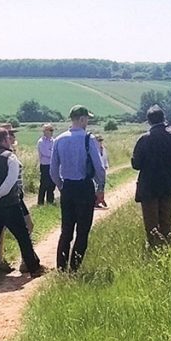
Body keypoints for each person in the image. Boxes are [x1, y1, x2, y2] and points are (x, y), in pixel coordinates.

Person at [0, 127, 43, 280]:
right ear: (6, 139)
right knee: (22, 235)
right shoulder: (10, 157)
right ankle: (33, 268)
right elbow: (10, 181)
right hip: (9, 204)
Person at [51, 105, 107, 271]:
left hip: (67, 187)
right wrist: (100, 187)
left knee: (66, 230)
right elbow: (99, 167)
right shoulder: (88, 139)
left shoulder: (59, 139)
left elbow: (53, 170)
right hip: (84, 187)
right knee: (82, 231)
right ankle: (74, 268)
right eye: (87, 118)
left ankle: (61, 267)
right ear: (82, 119)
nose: (87, 121)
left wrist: (61, 186)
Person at [131, 105, 171, 248]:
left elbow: (136, 164)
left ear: (149, 121)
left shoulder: (143, 139)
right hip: (169, 183)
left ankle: (153, 247)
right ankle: (166, 246)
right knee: (166, 218)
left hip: (148, 185)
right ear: (164, 118)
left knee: (151, 221)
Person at [36, 124, 57, 205]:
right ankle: (40, 202)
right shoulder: (41, 142)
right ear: (45, 131)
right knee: (44, 184)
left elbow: (55, 152)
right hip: (45, 165)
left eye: (52, 130)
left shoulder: (54, 141)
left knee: (52, 184)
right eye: (50, 130)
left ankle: (50, 201)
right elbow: (46, 153)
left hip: (52, 165)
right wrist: (53, 153)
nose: (52, 132)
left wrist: (52, 153)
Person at [94, 135, 110, 209]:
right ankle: (96, 201)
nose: (100, 142)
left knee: (102, 185)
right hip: (96, 170)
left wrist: (106, 165)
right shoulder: (94, 149)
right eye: (98, 141)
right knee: (98, 185)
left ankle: (101, 199)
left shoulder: (103, 149)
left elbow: (105, 158)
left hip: (103, 169)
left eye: (101, 141)